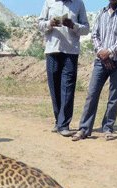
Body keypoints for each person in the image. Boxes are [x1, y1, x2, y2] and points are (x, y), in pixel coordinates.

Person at [72, 0, 117, 142]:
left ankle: (108, 128)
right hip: (100, 61)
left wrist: (110, 52)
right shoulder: (101, 12)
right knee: (92, 94)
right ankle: (84, 128)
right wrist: (102, 52)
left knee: (113, 97)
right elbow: (94, 35)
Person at [38, 0, 89, 137]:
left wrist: (73, 25)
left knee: (68, 87)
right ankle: (58, 120)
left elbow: (86, 29)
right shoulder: (49, 2)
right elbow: (40, 24)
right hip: (52, 50)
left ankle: (64, 124)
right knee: (54, 87)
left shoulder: (78, 3)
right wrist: (50, 24)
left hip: (71, 52)